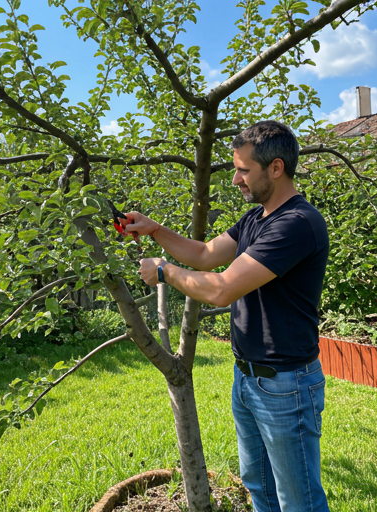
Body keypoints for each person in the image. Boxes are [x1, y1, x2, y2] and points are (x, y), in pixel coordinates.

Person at [120, 120, 330, 512]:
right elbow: (204, 253)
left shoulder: (296, 224)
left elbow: (221, 289)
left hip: (285, 385)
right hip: (248, 379)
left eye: (243, 170)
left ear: (276, 168)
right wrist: (155, 230)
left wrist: (164, 271)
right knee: (261, 489)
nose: (235, 179)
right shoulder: (257, 218)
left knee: (299, 501)